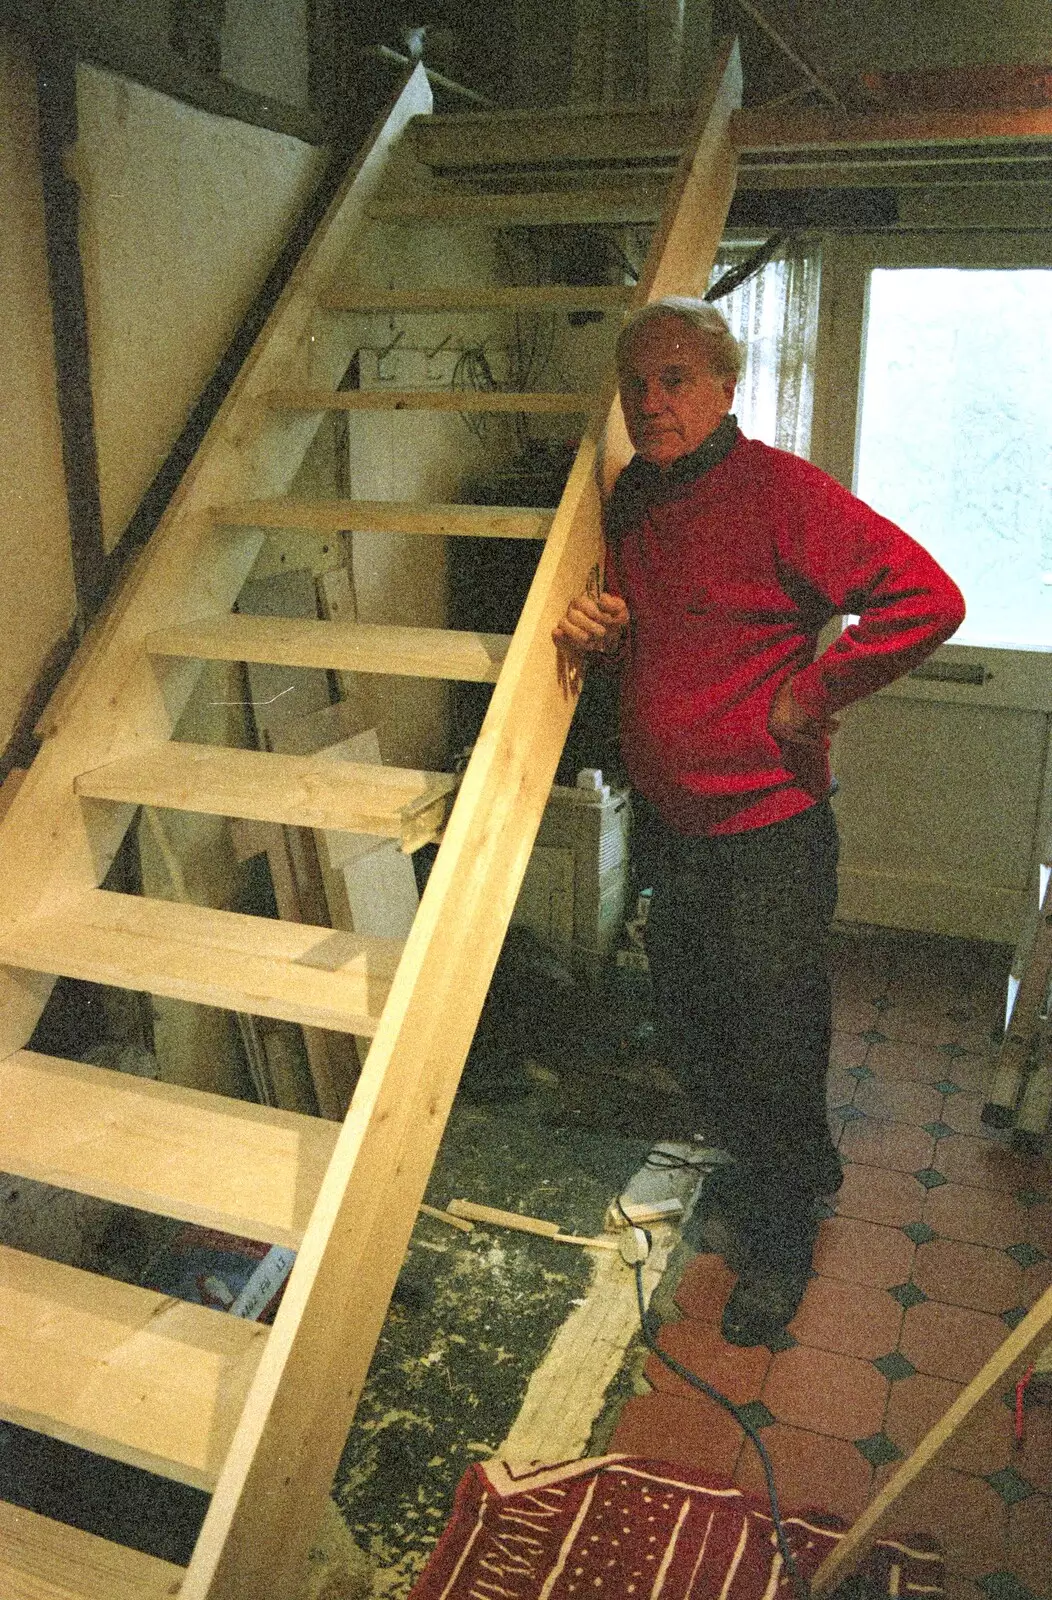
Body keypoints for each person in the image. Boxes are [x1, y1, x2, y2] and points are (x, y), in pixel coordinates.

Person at [553, 296, 965, 1347]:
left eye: (677, 378)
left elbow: (926, 597)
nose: (652, 401)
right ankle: (783, 1162)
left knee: (772, 1040)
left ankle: (782, 1235)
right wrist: (602, 631)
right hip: (673, 824)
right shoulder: (631, 498)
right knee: (692, 1025)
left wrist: (812, 693)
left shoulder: (782, 494)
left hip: (769, 831)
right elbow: (669, 630)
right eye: (636, 382)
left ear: (727, 387)